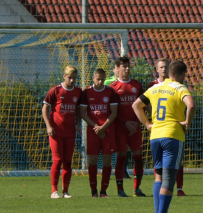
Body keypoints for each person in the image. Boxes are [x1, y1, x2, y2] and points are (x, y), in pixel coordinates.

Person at [133, 60, 195, 213]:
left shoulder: (155, 88)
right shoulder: (180, 88)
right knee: (169, 178)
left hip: (155, 136)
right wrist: (187, 122)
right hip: (172, 136)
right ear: (182, 75)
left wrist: (147, 124)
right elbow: (191, 105)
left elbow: (136, 105)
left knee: (158, 177)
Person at [145, 57, 187, 196]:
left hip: (157, 134)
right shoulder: (157, 86)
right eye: (161, 67)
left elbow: (136, 105)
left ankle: (179, 188)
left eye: (166, 67)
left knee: (168, 169)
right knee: (164, 175)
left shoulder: (168, 86)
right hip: (168, 130)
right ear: (157, 69)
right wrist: (148, 123)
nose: (164, 69)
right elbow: (191, 104)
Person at [42, 66, 82, 198]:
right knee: (57, 160)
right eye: (70, 77)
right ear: (64, 76)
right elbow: (45, 108)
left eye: (74, 78)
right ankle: (54, 191)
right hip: (56, 131)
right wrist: (48, 126)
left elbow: (77, 109)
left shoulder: (78, 91)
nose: (72, 80)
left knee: (68, 161)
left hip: (70, 132)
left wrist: (77, 124)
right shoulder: (55, 90)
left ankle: (65, 191)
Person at [79, 68, 119, 197]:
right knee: (93, 159)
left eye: (102, 79)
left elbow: (114, 112)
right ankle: (93, 191)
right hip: (93, 130)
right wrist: (96, 126)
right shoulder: (86, 92)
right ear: (93, 78)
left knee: (107, 159)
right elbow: (82, 113)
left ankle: (103, 191)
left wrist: (103, 126)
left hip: (107, 129)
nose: (101, 82)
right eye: (98, 79)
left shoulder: (110, 92)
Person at [109, 56, 145, 197]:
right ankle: (120, 190)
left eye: (128, 66)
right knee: (121, 157)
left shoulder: (136, 85)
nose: (127, 68)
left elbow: (141, 105)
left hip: (135, 128)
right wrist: (125, 123)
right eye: (124, 66)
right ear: (118, 69)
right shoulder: (112, 88)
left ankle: (137, 189)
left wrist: (137, 122)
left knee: (138, 157)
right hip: (120, 128)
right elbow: (112, 111)